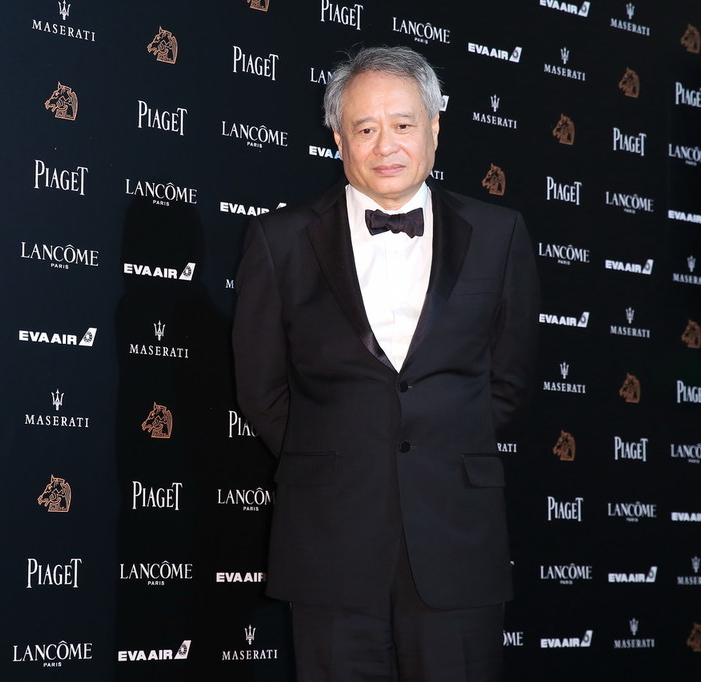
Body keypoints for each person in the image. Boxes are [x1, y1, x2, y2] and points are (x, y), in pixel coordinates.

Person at [231, 46, 539, 682]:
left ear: (434, 128)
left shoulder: (500, 234)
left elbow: (507, 380)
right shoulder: (279, 240)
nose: (386, 146)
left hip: (457, 537)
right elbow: (262, 388)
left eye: (402, 124)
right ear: (338, 139)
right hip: (330, 542)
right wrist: (337, 454)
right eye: (365, 128)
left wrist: (439, 449)